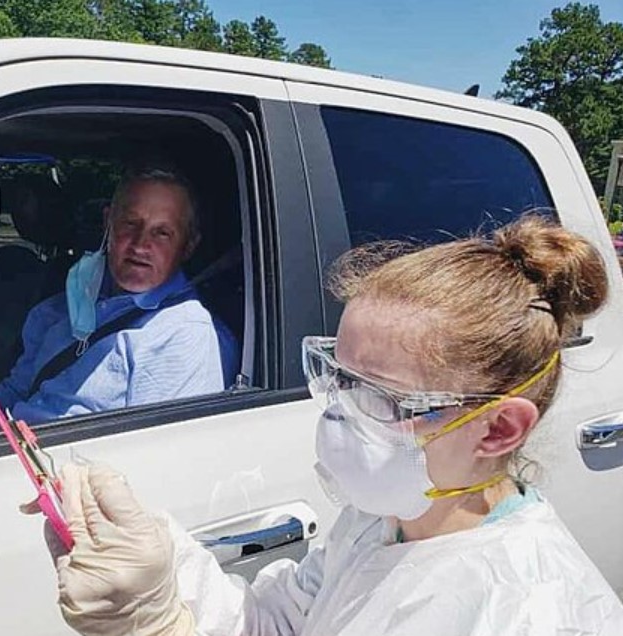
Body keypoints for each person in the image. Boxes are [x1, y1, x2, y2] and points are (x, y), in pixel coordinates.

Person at [39, 215, 623, 635]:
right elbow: (279, 623)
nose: (339, 413)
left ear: (497, 429)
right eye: (338, 376)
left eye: (381, 397)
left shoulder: (525, 612)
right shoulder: (380, 524)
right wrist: (160, 580)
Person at [0, 165, 237, 438]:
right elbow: (15, 391)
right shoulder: (68, 304)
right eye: (130, 223)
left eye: (162, 233)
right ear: (108, 222)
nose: (141, 245)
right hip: (9, 449)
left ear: (188, 246)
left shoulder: (184, 334)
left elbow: (157, 454)